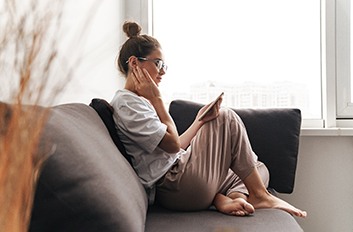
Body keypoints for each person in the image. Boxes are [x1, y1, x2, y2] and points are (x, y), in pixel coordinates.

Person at [111, 21, 307, 218]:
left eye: (164, 66)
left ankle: (230, 197)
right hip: (173, 186)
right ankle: (259, 194)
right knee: (226, 116)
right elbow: (171, 145)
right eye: (158, 63)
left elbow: (175, 146)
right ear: (134, 63)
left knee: (257, 167)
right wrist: (158, 100)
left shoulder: (139, 101)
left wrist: (199, 121)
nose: (163, 71)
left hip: (181, 176)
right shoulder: (127, 103)